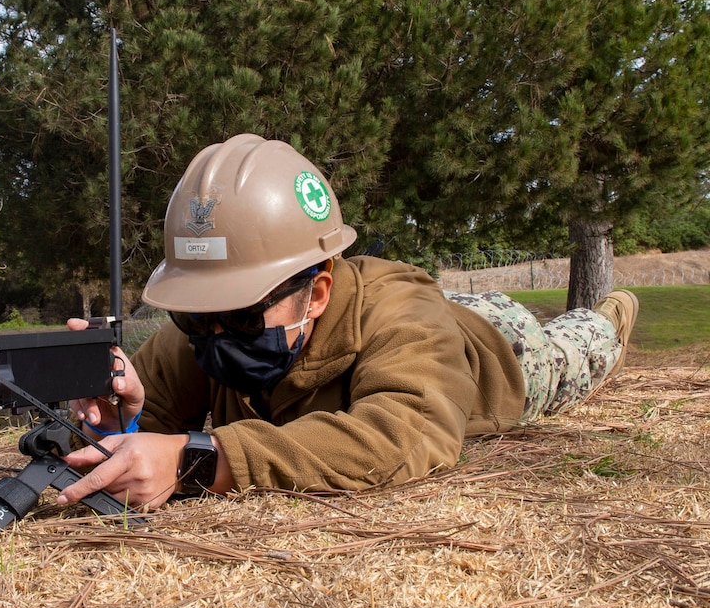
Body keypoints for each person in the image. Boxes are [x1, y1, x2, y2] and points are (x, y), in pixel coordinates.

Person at [56, 133, 638, 511]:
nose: (211, 331)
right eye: (195, 311)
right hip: (424, 326)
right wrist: (117, 424)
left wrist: (203, 460)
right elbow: (143, 431)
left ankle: (611, 314)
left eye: (236, 310)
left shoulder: (401, 313)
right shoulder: (208, 329)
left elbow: (403, 434)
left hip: (494, 348)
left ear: (316, 293)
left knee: (581, 347)